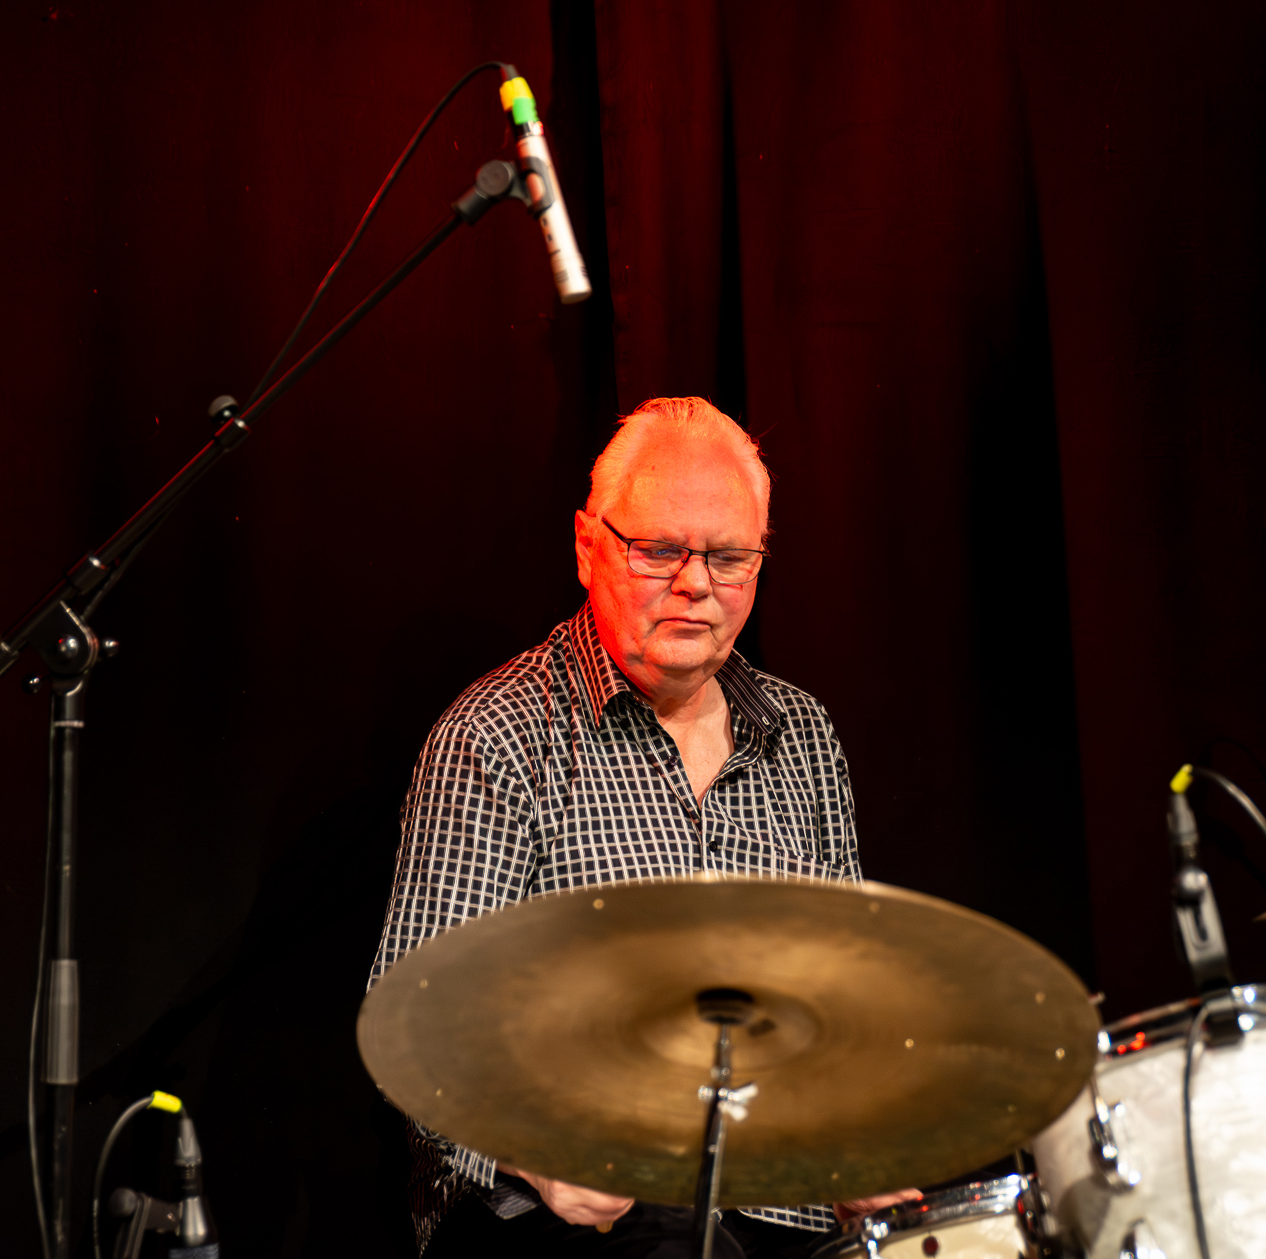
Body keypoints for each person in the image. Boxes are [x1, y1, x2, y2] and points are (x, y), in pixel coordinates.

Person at [367, 397, 918, 1258]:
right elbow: (415, 1021)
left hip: (784, 1213)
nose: (696, 584)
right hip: (565, 1220)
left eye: (729, 557)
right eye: (660, 550)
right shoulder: (499, 737)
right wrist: (535, 1150)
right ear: (588, 545)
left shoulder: (802, 736)